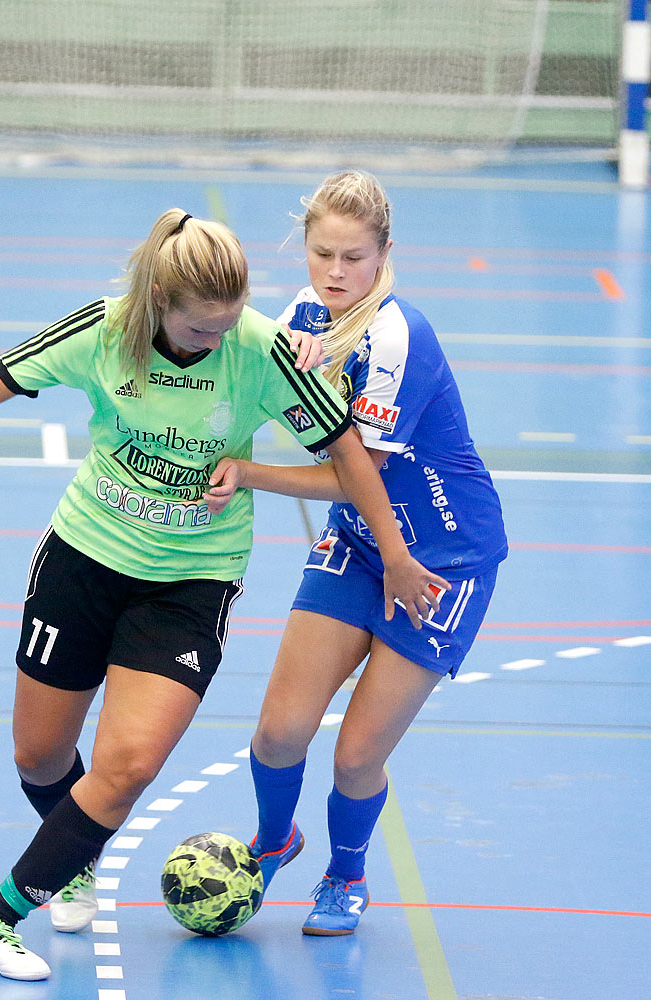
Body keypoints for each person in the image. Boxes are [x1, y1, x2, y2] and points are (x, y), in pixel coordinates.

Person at [0, 209, 444, 981]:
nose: (214, 343)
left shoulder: (258, 350)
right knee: (41, 753)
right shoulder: (103, 329)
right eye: (199, 332)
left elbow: (349, 456)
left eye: (227, 328)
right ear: (158, 300)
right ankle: (73, 857)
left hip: (192, 580)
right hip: (85, 557)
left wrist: (395, 554)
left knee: (125, 768)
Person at [206, 170, 508, 936]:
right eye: (322, 255)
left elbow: (354, 472)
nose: (336, 274)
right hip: (364, 543)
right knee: (278, 734)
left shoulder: (400, 335)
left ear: (385, 256)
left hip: (439, 559)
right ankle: (276, 840)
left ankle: (345, 874)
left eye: (354, 258)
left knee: (354, 757)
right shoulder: (305, 316)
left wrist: (245, 475)